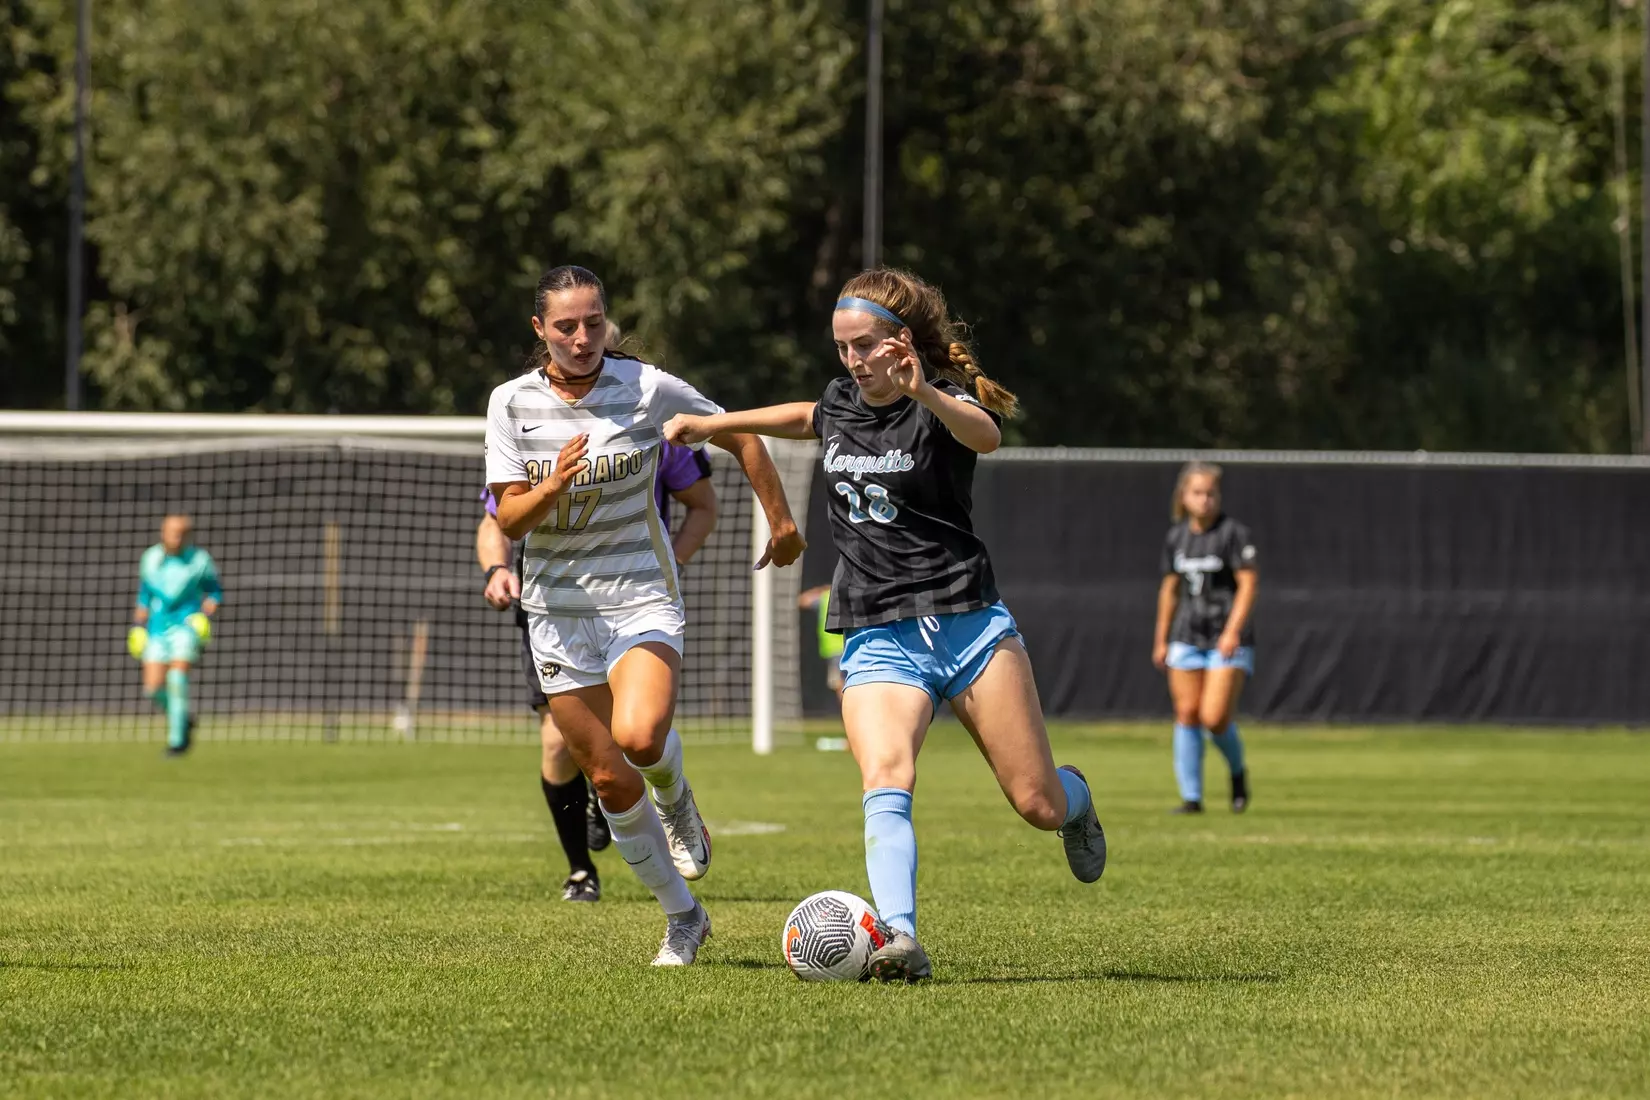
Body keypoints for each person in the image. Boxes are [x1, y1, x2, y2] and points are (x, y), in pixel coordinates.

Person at [663, 267, 1106, 983]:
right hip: (876, 630)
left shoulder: (940, 400)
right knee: (885, 777)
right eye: (842, 348)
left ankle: (1077, 801)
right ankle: (900, 937)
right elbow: (803, 416)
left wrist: (924, 391)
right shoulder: (841, 400)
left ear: (900, 341)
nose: (852, 361)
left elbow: (987, 437)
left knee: (1037, 802)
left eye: (864, 345)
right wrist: (714, 424)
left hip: (968, 625)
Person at [485, 264, 803, 966]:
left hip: (640, 591)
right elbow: (507, 515)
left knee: (639, 732)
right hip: (556, 609)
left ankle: (678, 799)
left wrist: (780, 523)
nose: (581, 336)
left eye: (593, 322)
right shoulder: (509, 403)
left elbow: (741, 436)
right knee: (604, 778)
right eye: (565, 325)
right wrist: (554, 487)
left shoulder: (648, 387)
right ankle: (684, 919)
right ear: (540, 329)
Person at [476, 440, 718, 903]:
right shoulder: (525, 420)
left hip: (632, 597)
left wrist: (673, 563)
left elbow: (703, 506)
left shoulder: (652, 422)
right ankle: (580, 871)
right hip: (552, 601)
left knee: (634, 732)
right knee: (558, 742)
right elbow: (496, 520)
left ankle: (662, 804)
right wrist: (496, 569)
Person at [1151, 462, 1257, 814]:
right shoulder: (1176, 537)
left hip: (1225, 638)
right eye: (1198, 493)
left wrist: (1232, 630)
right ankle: (1192, 798)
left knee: (1214, 718)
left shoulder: (1233, 534)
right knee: (1187, 712)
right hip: (1186, 635)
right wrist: (1161, 639)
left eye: (1211, 493)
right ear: (1184, 496)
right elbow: (1169, 591)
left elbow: (1248, 585)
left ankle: (1238, 773)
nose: (1205, 500)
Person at [128, 514, 222, 757]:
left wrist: (212, 602)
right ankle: (183, 719)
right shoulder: (151, 559)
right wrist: (139, 620)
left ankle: (177, 742)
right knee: (153, 688)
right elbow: (145, 592)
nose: (175, 537)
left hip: (186, 626)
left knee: (177, 680)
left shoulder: (199, 561)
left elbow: (214, 590)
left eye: (180, 533)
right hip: (157, 628)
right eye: (171, 531)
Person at [797, 585, 845, 708]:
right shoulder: (845, 595)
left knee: (839, 684)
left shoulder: (824, 597)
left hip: (834, 649)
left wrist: (820, 589)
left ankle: (847, 711)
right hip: (847, 645)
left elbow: (802, 600)